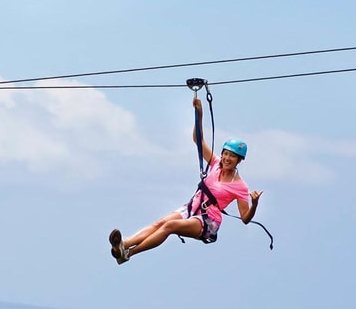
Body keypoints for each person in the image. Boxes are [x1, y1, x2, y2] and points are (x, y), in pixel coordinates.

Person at [109, 97, 263, 264]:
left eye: (232, 156)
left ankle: (129, 254)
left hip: (208, 221)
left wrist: (254, 204)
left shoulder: (240, 186)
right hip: (191, 207)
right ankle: (123, 245)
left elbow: (245, 219)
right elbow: (198, 140)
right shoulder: (216, 164)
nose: (227, 158)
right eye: (226, 153)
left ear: (239, 160)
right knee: (160, 223)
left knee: (170, 226)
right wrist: (199, 114)